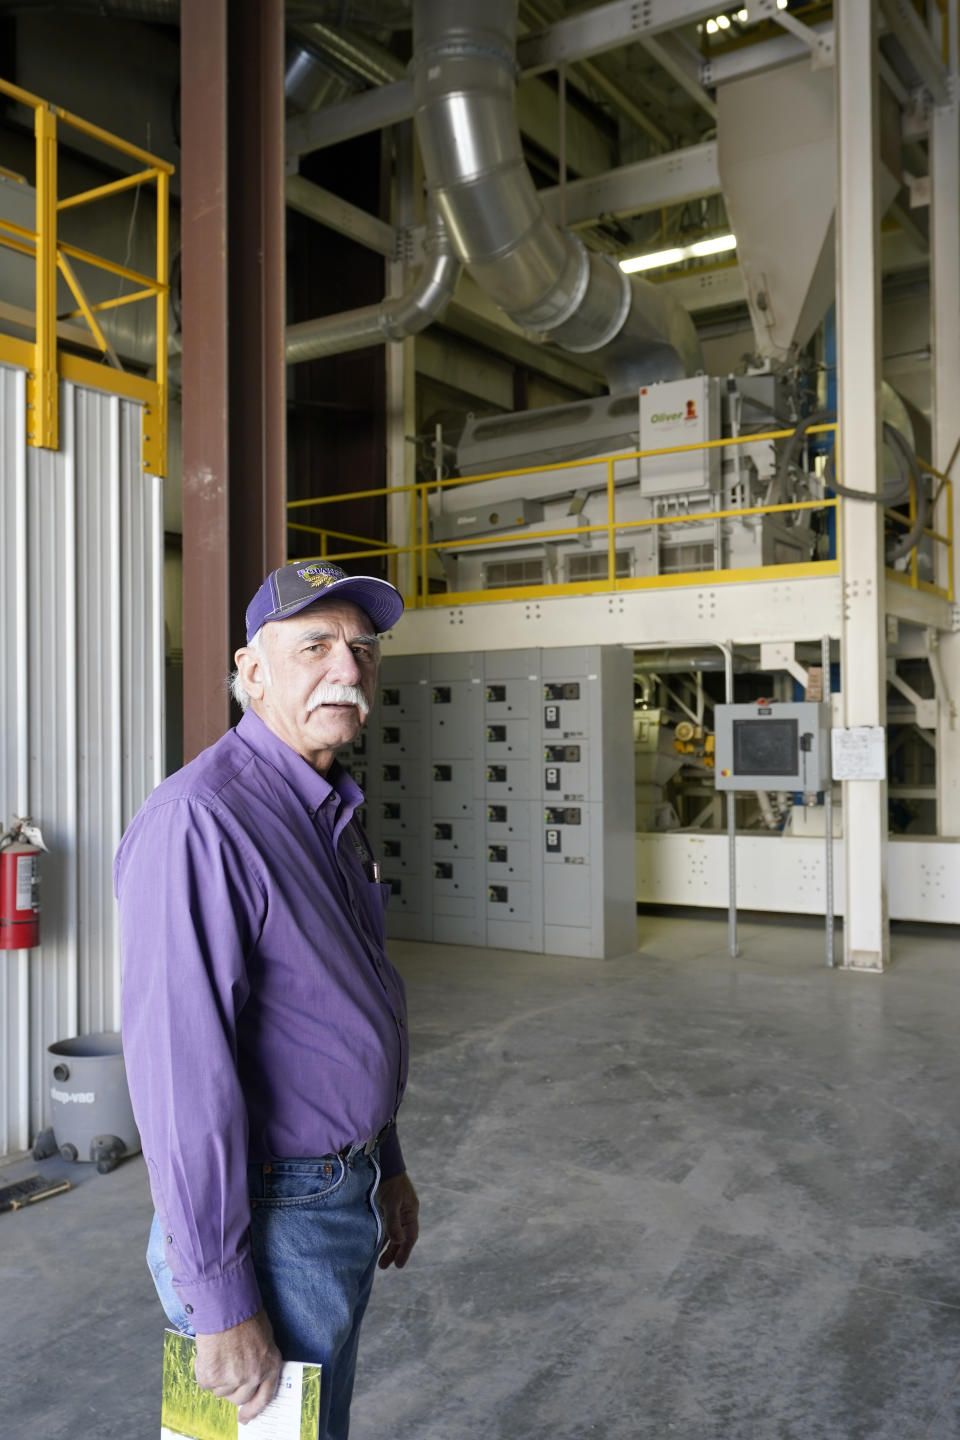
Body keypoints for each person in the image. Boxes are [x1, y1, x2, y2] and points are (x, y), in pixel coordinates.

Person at [117, 560, 419, 1439]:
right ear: (252, 674)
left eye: (362, 651)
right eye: (315, 645)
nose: (348, 670)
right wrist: (221, 1304)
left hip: (336, 1195)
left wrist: (385, 1163)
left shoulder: (326, 809)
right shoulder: (200, 822)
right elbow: (182, 1083)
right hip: (270, 1221)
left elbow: (341, 1011)